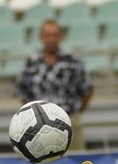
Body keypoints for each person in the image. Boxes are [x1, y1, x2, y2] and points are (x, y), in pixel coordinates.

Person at [15, 19, 94, 150]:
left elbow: (87, 90)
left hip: (69, 121)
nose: (51, 39)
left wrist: (74, 112)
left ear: (61, 36)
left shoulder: (73, 60)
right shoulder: (32, 62)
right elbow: (22, 92)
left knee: (75, 160)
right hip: (38, 126)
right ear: (41, 37)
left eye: (55, 35)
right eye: (48, 35)